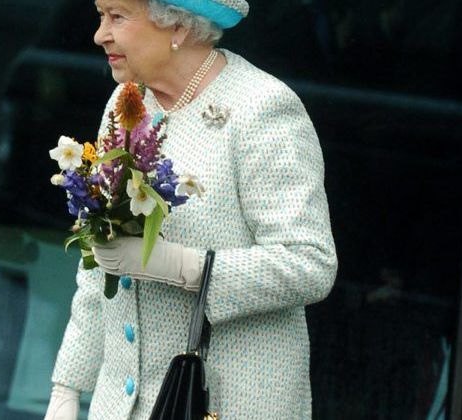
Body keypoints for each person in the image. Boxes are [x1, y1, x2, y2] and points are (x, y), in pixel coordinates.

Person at [44, 0, 338, 418]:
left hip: (229, 401)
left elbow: (311, 263)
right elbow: (100, 260)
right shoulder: (127, 102)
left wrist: (183, 267)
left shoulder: (261, 109)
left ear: (177, 26)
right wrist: (68, 387)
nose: (100, 34)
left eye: (117, 16)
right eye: (100, 15)